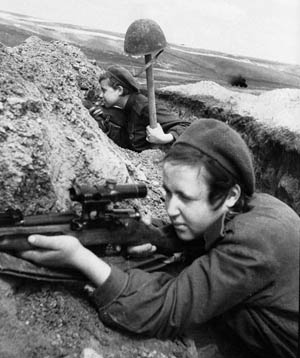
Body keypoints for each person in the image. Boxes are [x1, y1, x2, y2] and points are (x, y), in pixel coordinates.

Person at [20, 118, 299, 358]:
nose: (170, 208)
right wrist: (148, 232)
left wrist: (80, 258)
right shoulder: (252, 206)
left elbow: (166, 310)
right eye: (167, 192)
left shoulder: (255, 241)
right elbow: (203, 238)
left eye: (186, 198)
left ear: (230, 195)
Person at [88, 65, 190, 152]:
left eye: (104, 90)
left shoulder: (144, 107)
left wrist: (164, 138)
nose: (101, 95)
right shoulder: (125, 108)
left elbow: (186, 127)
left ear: (119, 90)